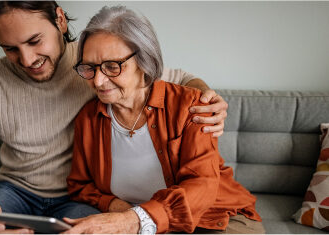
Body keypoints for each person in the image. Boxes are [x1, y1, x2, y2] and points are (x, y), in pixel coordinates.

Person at [0, 1, 229, 234]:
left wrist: (206, 97)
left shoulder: (93, 62)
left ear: (60, 20)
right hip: (13, 192)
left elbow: (173, 77)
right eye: (10, 48)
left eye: (35, 41)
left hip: (78, 197)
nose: (28, 59)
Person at [65, 5, 263, 234]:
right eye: (89, 67)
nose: (98, 81)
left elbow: (202, 186)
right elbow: (80, 185)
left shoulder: (191, 106)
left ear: (143, 61)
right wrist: (117, 207)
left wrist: (135, 219)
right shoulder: (89, 118)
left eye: (112, 66)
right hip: (146, 223)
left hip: (214, 219)